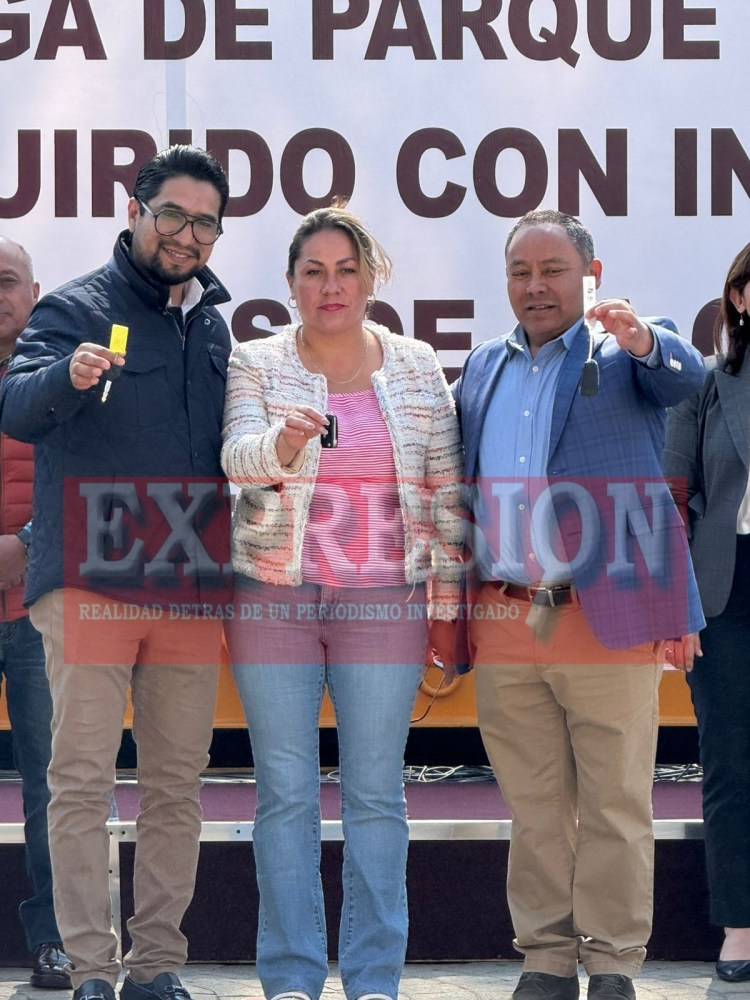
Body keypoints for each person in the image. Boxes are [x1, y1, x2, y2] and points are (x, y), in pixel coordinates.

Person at [451, 209, 706, 1000]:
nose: (536, 286)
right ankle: (547, 959)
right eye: (521, 271)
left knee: (616, 805)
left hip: (607, 615)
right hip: (506, 614)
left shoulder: (623, 353)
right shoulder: (483, 369)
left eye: (553, 269)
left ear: (588, 274)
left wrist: (639, 339)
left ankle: (615, 963)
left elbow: (685, 378)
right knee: (534, 809)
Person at [0, 146, 233, 1000]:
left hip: (187, 587)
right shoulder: (72, 309)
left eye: (203, 221)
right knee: (82, 785)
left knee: (176, 787)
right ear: (135, 211)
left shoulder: (212, 324)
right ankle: (93, 970)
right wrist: (67, 372)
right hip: (92, 583)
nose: (185, 233)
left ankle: (157, 968)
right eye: (171, 213)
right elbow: (18, 405)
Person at [221, 201, 464, 1000]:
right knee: (284, 794)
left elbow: (444, 489)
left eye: (346, 269)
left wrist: (448, 609)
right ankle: (291, 976)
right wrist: (284, 446)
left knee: (375, 796)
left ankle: (373, 978)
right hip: (274, 601)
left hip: (386, 601)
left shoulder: (418, 364)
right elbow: (238, 460)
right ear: (291, 284)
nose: (332, 286)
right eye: (314, 272)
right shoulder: (256, 361)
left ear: (371, 277)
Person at [663, 241, 750, 983]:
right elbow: (672, 505)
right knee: (730, 763)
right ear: (741, 298)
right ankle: (740, 929)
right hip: (729, 591)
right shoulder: (707, 388)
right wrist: (678, 606)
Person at [0, 236, 71, 989]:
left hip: (35, 608)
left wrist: (23, 543)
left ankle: (56, 939)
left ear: (35, 290)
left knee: (51, 780)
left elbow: (85, 479)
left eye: (8, 281)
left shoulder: (59, 377)